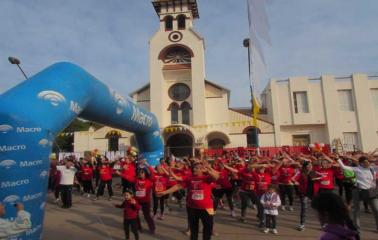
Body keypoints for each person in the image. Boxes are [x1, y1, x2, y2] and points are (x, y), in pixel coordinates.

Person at [157, 161, 219, 240]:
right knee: (194, 231)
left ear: (201, 169)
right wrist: (164, 192)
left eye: (196, 168)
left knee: (207, 230)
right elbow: (178, 186)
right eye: (193, 168)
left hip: (206, 208)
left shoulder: (206, 178)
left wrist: (208, 170)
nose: (194, 169)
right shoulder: (190, 178)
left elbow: (216, 177)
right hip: (192, 208)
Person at [337, 155, 378, 231]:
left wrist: (374, 159)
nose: (367, 163)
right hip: (358, 191)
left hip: (371, 191)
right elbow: (343, 167)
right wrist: (338, 159)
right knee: (357, 210)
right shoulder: (356, 169)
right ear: (360, 163)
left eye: (368, 162)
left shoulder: (373, 169)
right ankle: (356, 228)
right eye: (365, 162)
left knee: (376, 210)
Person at [134, 168, 155, 234]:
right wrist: (120, 173)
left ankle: (152, 228)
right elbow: (128, 177)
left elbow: (152, 172)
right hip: (137, 200)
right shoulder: (136, 180)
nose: (140, 173)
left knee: (147, 215)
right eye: (140, 172)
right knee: (135, 214)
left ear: (145, 173)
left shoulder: (149, 180)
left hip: (146, 201)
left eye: (142, 172)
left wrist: (146, 164)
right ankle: (139, 227)